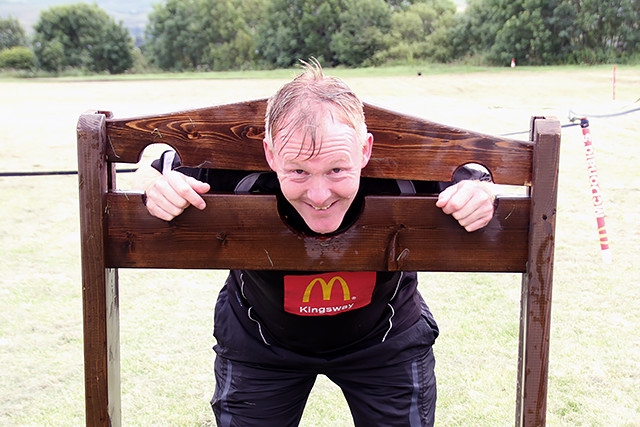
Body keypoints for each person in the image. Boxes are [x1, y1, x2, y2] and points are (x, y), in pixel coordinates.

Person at [137, 59, 496, 427]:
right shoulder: (229, 165)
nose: (320, 194)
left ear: (366, 150)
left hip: (386, 340)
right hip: (260, 340)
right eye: (298, 171)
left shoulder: (406, 171)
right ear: (270, 155)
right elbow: (152, 162)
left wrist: (479, 190)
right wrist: (155, 186)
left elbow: (476, 173)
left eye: (337, 170)